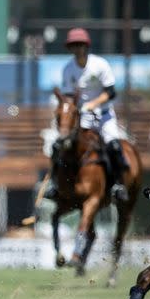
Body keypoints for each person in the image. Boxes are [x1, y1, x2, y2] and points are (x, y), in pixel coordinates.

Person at [44, 27, 129, 202]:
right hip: (81, 119)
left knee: (113, 146)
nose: (77, 49)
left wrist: (92, 104)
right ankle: (54, 185)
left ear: (86, 46)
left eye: (80, 45)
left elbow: (111, 92)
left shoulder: (100, 65)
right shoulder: (68, 69)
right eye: (74, 46)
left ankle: (119, 185)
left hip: (104, 116)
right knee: (58, 147)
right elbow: (68, 96)